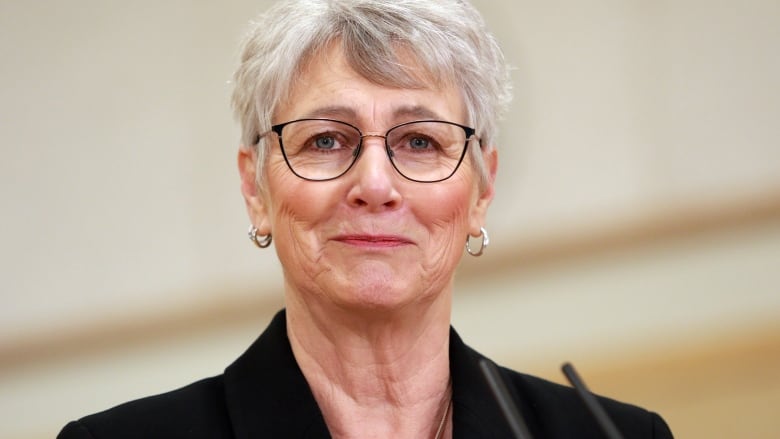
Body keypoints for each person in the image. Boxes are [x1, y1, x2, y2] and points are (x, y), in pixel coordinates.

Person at [58, 0, 673, 438]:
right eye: (326, 141)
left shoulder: (612, 433)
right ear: (255, 189)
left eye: (420, 142)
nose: (374, 185)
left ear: (482, 191)